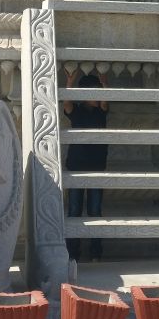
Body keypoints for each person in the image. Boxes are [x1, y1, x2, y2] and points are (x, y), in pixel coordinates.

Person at [63, 69, 109, 262]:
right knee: (74, 210)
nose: (96, 96)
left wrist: (104, 82)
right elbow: (67, 103)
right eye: (93, 91)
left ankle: (95, 253)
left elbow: (106, 99)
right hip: (76, 166)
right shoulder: (77, 111)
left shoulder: (101, 111)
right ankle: (72, 253)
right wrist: (70, 81)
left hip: (97, 166)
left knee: (95, 210)